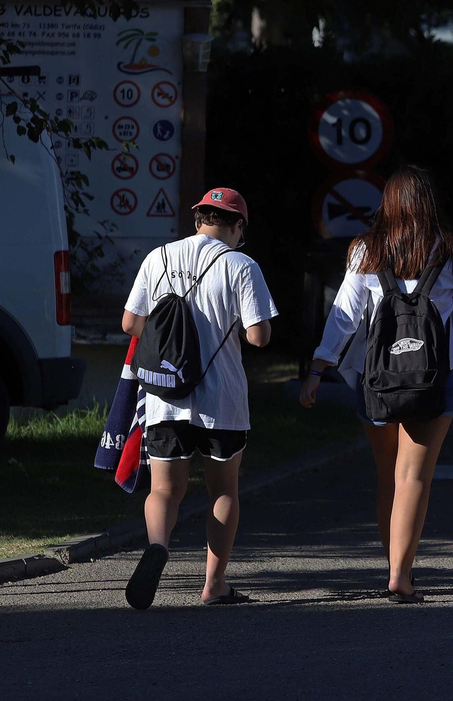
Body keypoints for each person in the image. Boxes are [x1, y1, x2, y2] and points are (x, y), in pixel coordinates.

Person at [300, 166, 453, 602]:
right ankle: (401, 573)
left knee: (388, 477)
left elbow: (344, 314)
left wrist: (318, 368)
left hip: (376, 378)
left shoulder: (367, 249)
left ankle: (396, 566)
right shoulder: (452, 251)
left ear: (389, 203)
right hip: (435, 378)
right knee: (413, 476)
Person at [122, 188, 277, 609]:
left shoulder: (158, 257)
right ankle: (214, 585)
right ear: (238, 225)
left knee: (164, 490)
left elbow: (131, 323)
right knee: (223, 490)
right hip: (220, 400)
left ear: (199, 220)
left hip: (165, 395)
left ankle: (158, 546)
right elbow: (258, 336)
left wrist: (171, 338)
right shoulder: (241, 265)